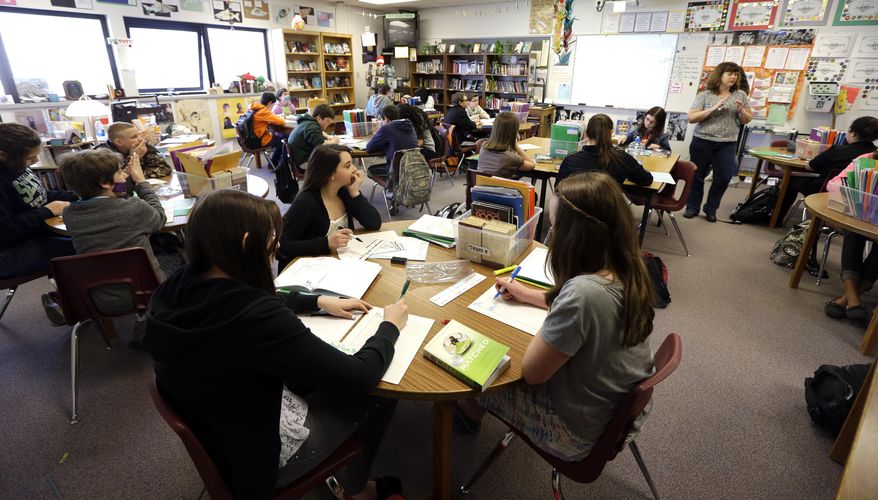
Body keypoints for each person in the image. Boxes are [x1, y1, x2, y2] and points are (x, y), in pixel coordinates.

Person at [142, 189, 407, 500]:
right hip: (265, 459)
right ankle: (358, 491)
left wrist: (316, 300)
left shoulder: (177, 286)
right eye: (272, 238)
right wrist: (389, 326)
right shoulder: (257, 318)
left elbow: (243, 299)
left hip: (222, 431)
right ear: (246, 244)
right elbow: (359, 376)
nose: (277, 246)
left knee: (316, 374)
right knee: (382, 391)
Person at [454, 172, 655, 462]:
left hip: (577, 434)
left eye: (555, 227)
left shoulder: (583, 295)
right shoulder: (628, 267)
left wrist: (552, 318)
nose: (553, 234)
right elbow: (587, 313)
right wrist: (529, 295)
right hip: (614, 412)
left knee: (472, 375)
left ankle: (468, 413)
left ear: (576, 236)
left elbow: (533, 374)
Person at [0, 123, 78, 324]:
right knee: (84, 246)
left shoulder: (16, 167)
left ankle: (70, 298)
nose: (35, 161)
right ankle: (68, 304)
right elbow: (5, 231)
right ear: (2, 155)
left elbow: (39, 196)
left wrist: (78, 196)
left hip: (30, 234)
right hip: (8, 252)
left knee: (84, 236)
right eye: (29, 158)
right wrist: (46, 212)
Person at [58, 149, 170, 279]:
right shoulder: (134, 207)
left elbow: (113, 199)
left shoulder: (69, 214)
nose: (125, 176)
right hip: (146, 287)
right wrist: (141, 182)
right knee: (177, 256)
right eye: (119, 173)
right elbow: (160, 219)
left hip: (96, 292)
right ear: (104, 183)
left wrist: (120, 182)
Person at [277, 144, 381, 272]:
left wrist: (355, 194)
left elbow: (374, 223)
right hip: (307, 270)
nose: (355, 169)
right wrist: (325, 243)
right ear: (330, 174)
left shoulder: (344, 192)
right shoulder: (305, 203)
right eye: (348, 166)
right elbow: (284, 247)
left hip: (336, 264)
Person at [684, 62, 752, 223]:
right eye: (730, 74)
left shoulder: (740, 95)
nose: (734, 77)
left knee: (723, 177)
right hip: (702, 140)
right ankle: (692, 207)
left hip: (727, 143)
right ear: (720, 75)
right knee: (697, 176)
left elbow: (747, 119)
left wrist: (742, 111)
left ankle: (711, 208)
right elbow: (692, 118)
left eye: (736, 74)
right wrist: (712, 109)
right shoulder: (705, 95)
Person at [776, 116, 878, 222]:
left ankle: (776, 218)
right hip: (856, 199)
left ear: (853, 133)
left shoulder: (838, 150)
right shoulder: (874, 155)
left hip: (823, 189)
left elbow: (810, 166)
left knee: (791, 180)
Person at [825, 152, 878, 323]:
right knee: (854, 231)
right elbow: (834, 184)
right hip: (862, 216)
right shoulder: (868, 159)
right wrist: (850, 189)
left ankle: (846, 298)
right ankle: (853, 299)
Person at [556, 114, 653, 186]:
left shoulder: (570, 160)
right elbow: (647, 180)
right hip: (607, 212)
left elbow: (558, 191)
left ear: (586, 133)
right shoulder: (623, 159)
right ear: (611, 133)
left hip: (573, 211)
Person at [96, 122, 172, 179]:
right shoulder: (102, 155)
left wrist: (135, 177)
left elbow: (164, 169)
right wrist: (133, 157)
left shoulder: (141, 146)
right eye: (134, 137)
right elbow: (114, 180)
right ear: (119, 142)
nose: (140, 139)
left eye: (139, 134)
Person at [365, 105, 419, 180]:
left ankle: (391, 188)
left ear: (386, 119)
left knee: (371, 170)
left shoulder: (386, 128)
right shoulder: (409, 125)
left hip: (394, 171)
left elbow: (369, 148)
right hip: (412, 168)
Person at [477, 111, 535, 178]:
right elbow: (532, 165)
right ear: (514, 132)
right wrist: (515, 144)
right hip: (501, 187)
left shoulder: (484, 146)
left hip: (480, 187)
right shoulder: (512, 158)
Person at [247, 91, 288, 168]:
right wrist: (280, 117)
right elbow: (281, 122)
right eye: (273, 104)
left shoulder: (254, 108)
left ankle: (273, 163)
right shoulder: (263, 111)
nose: (272, 107)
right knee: (285, 141)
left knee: (281, 138)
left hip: (250, 138)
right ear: (270, 103)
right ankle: (277, 164)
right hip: (259, 140)